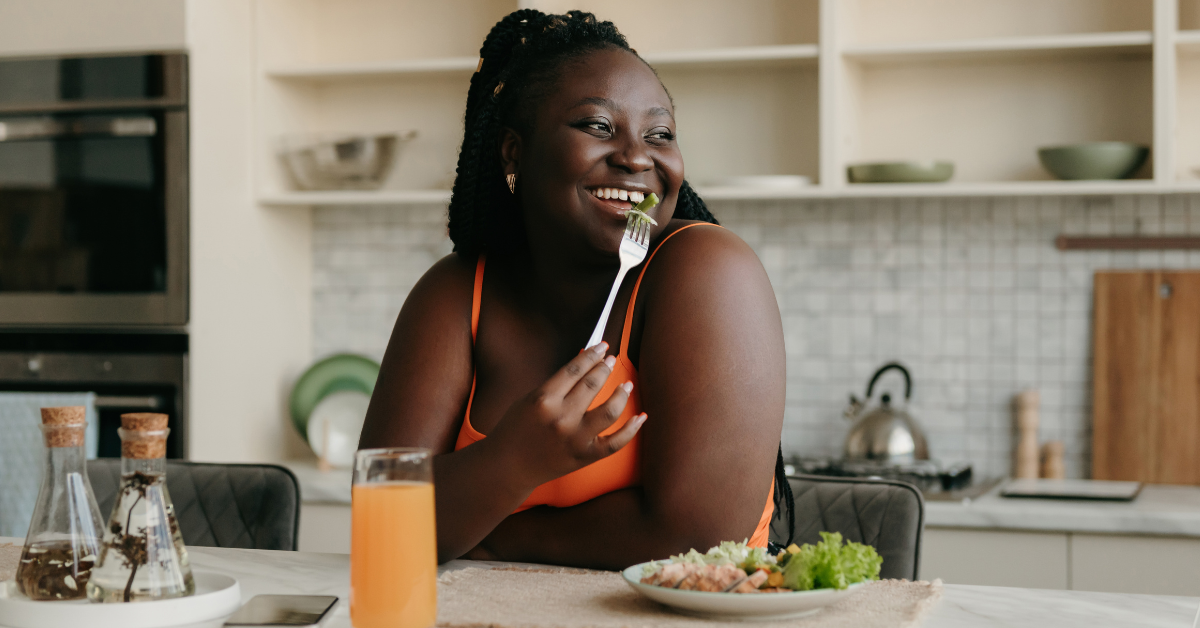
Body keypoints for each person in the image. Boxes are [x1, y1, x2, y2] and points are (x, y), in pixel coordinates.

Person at [358, 9, 789, 570]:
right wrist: (515, 458)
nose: (638, 156)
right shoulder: (455, 291)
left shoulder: (708, 269)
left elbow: (698, 538)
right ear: (514, 153)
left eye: (660, 134)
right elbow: (381, 519)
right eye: (598, 126)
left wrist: (494, 533)